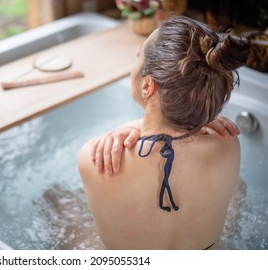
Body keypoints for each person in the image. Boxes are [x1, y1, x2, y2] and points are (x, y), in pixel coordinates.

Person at [77, 16, 251, 250]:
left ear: (148, 85)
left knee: (54, 198)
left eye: (138, 56)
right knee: (239, 187)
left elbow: (157, 134)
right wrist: (199, 119)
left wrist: (126, 129)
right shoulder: (228, 143)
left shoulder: (94, 157)